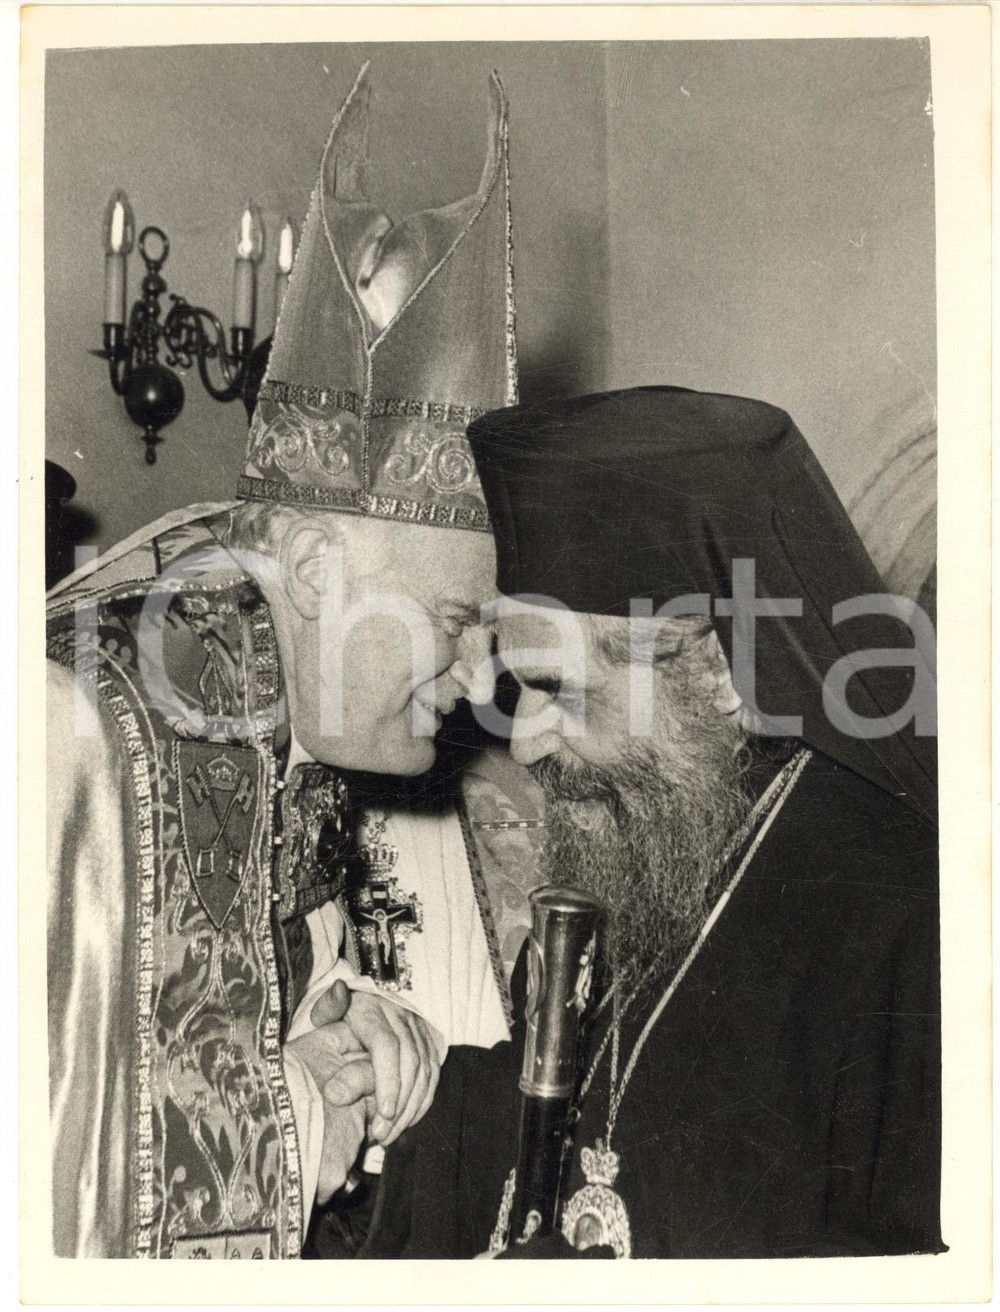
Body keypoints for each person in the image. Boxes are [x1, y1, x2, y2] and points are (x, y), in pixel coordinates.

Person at [46, 64, 536, 1259]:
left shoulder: (293, 721)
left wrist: (363, 1034)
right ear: (312, 569)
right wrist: (306, 1106)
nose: (481, 681)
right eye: (459, 619)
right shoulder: (68, 731)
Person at [362, 386, 943, 1260]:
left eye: (555, 689)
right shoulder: (660, 835)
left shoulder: (908, 920)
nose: (523, 747)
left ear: (714, 670)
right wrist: (400, 1082)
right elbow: (594, 1130)